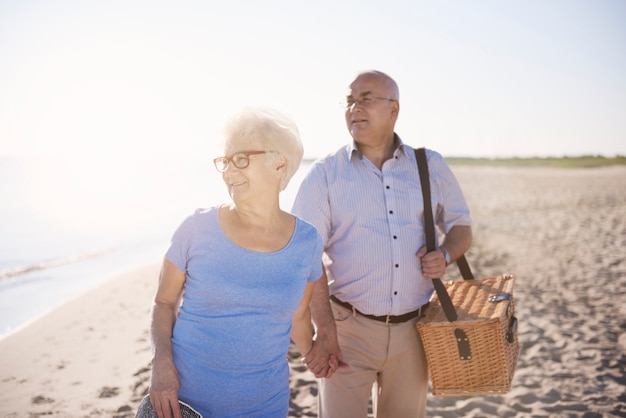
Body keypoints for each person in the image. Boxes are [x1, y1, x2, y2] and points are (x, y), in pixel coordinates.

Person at [292, 70, 473, 417]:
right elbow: (305, 260)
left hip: (415, 332)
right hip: (347, 333)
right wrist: (324, 332)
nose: (354, 108)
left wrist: (446, 254)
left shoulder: (429, 164)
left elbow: (461, 226)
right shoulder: (324, 174)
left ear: (394, 110)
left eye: (366, 98)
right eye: (349, 101)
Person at [147, 108, 328, 418]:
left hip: (265, 406)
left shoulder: (307, 241)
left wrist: (316, 352)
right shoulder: (196, 227)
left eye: (241, 159)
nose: (229, 172)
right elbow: (163, 302)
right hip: (183, 404)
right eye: (225, 162)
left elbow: (299, 315)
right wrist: (161, 363)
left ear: (279, 163)